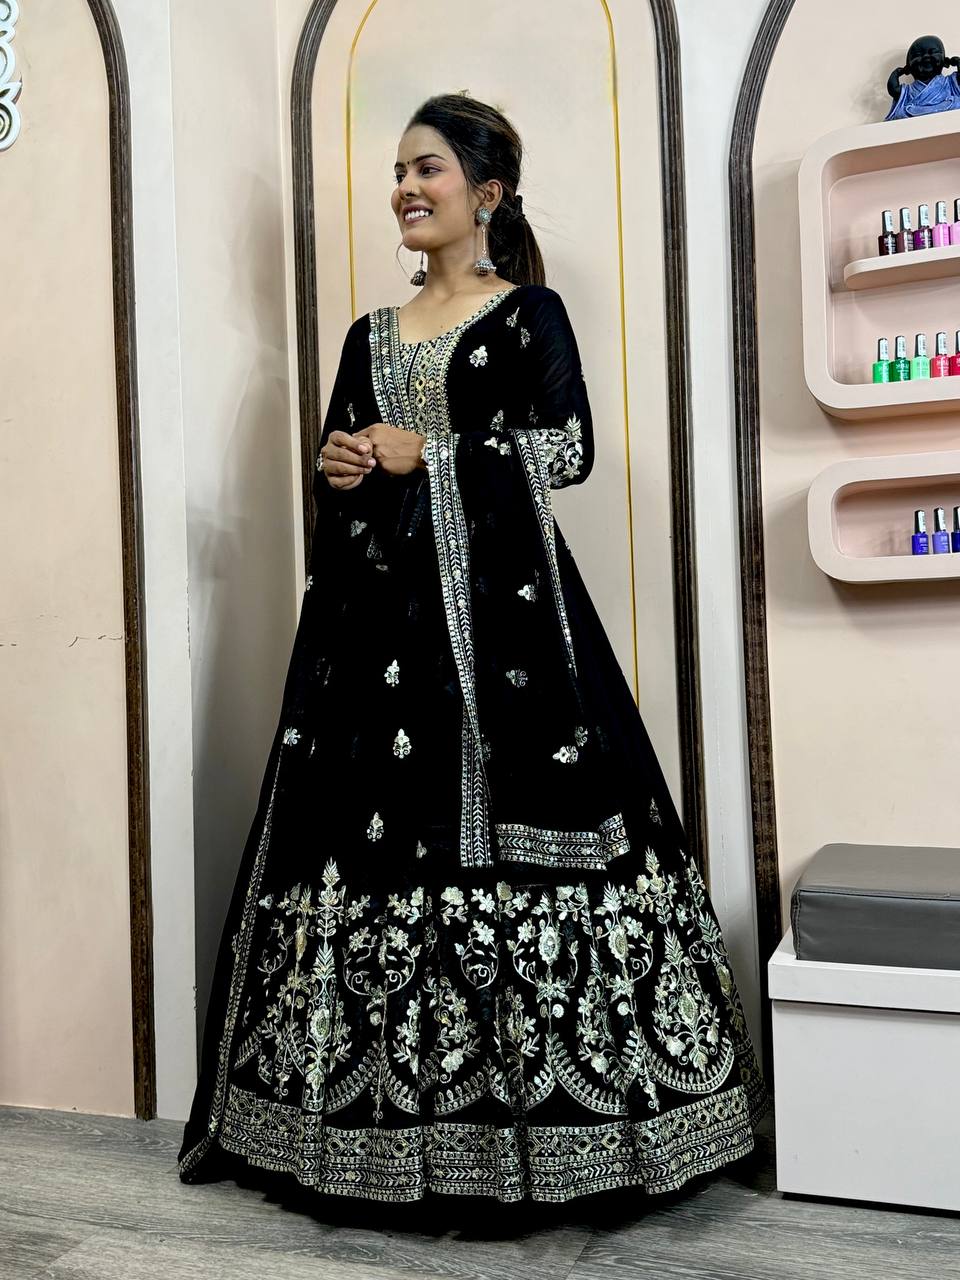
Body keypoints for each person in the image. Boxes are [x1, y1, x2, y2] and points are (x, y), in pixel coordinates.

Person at [177, 91, 770, 1209]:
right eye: (399, 170)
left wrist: (433, 455)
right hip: (371, 639)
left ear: (486, 192)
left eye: (428, 168)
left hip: (506, 636)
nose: (405, 187)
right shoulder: (368, 335)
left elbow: (566, 448)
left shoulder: (529, 314)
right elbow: (345, 466)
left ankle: (546, 1144)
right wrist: (344, 466)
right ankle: (360, 1131)